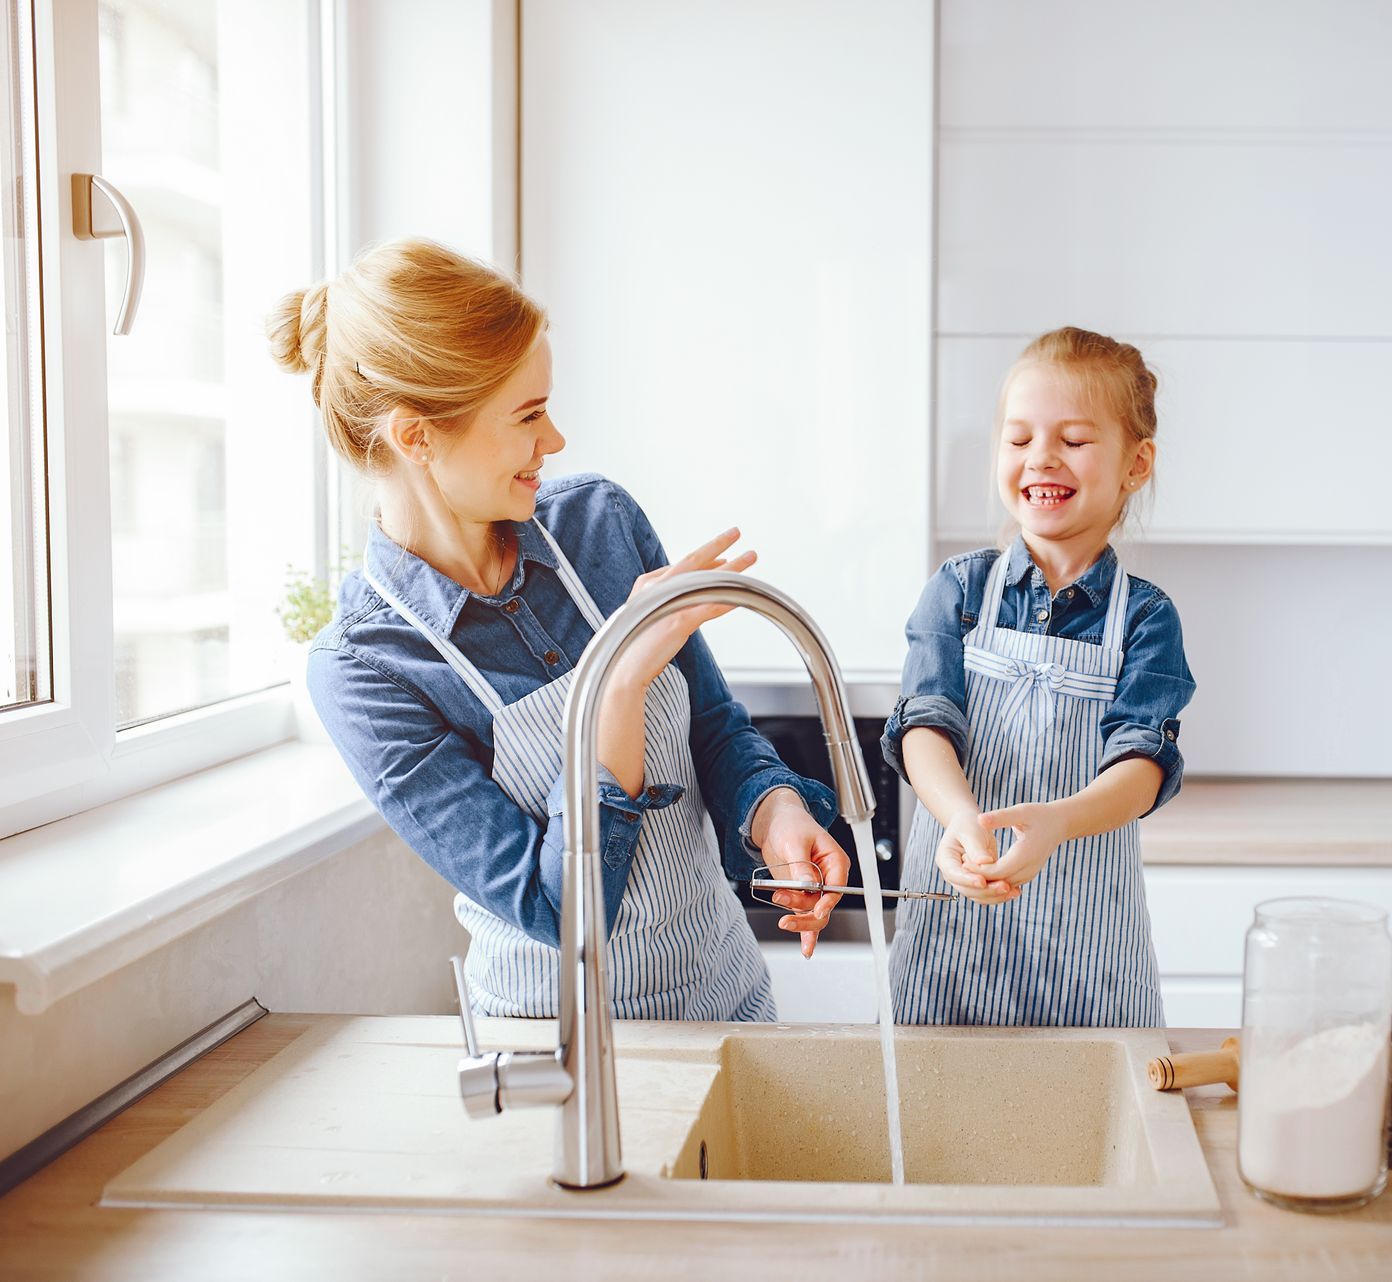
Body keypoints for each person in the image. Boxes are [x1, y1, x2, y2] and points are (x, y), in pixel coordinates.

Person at [270, 238, 846, 1020]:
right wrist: (617, 681)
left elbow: (712, 728)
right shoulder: (368, 670)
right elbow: (565, 915)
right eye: (529, 414)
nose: (556, 440)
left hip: (726, 1004)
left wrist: (775, 810)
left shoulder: (599, 524)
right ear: (417, 438)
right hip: (560, 1055)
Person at [881, 326, 1196, 1027]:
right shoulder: (958, 593)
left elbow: (1142, 766)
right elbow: (924, 726)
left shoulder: (1146, 618)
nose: (1040, 457)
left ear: (1136, 464)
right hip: (951, 951)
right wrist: (962, 817)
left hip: (1089, 963)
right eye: (1018, 439)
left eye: (1074, 440)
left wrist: (1057, 822)